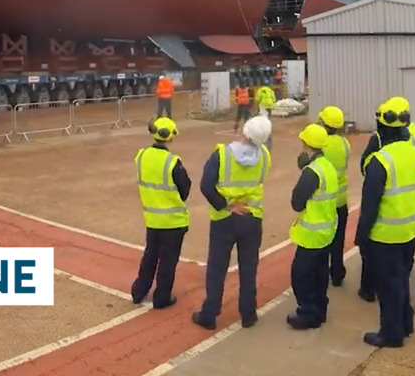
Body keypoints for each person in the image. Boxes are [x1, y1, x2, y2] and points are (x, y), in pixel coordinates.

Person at [356, 98, 415, 348]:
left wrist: (361, 238)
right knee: (401, 281)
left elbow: (370, 207)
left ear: (382, 129)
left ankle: (391, 334)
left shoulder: (380, 161)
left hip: (386, 236)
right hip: (410, 230)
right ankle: (405, 323)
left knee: (388, 287)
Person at [192, 115, 272, 330]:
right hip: (252, 218)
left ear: (243, 131)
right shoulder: (264, 155)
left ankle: (209, 313)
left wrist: (226, 205)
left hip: (224, 220)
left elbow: (206, 186)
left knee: (217, 268)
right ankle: (248, 313)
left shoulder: (221, 154)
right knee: (249, 267)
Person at [132, 116, 191, 308]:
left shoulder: (141, 156)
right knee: (167, 260)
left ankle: (139, 290)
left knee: (150, 255)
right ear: (170, 137)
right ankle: (162, 297)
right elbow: (185, 189)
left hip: (152, 218)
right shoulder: (172, 162)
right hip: (173, 221)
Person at [287, 123, 339, 329]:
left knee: (301, 276)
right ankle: (319, 310)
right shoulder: (328, 166)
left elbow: (296, 202)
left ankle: (307, 313)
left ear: (308, 146)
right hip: (327, 231)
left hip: (312, 234)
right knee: (319, 274)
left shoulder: (312, 172)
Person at [315, 105, 352, 287]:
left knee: (323, 242)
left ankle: (321, 275)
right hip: (341, 200)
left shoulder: (320, 145)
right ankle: (337, 272)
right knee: (338, 241)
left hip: (324, 202)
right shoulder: (345, 144)